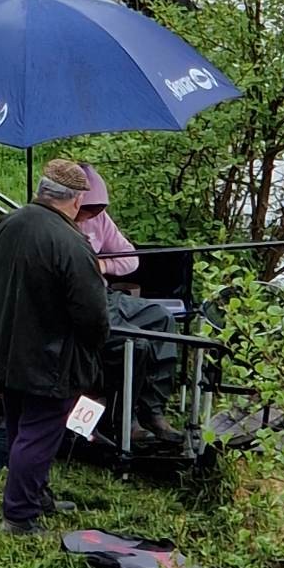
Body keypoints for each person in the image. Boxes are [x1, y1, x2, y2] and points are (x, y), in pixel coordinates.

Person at [0, 160, 110, 535]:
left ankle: (36, 495)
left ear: (42, 191)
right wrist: (95, 349)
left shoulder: (4, 224)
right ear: (77, 200)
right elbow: (93, 313)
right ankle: (19, 516)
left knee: (20, 426)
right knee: (38, 433)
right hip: (48, 359)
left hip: (1, 349)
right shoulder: (71, 244)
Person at [75, 165, 183, 444]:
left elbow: (130, 259)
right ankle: (124, 417)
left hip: (105, 292)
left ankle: (153, 409)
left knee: (161, 319)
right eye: (89, 209)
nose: (93, 215)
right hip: (79, 298)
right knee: (135, 342)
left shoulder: (100, 220)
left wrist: (102, 264)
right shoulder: (57, 223)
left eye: (98, 208)